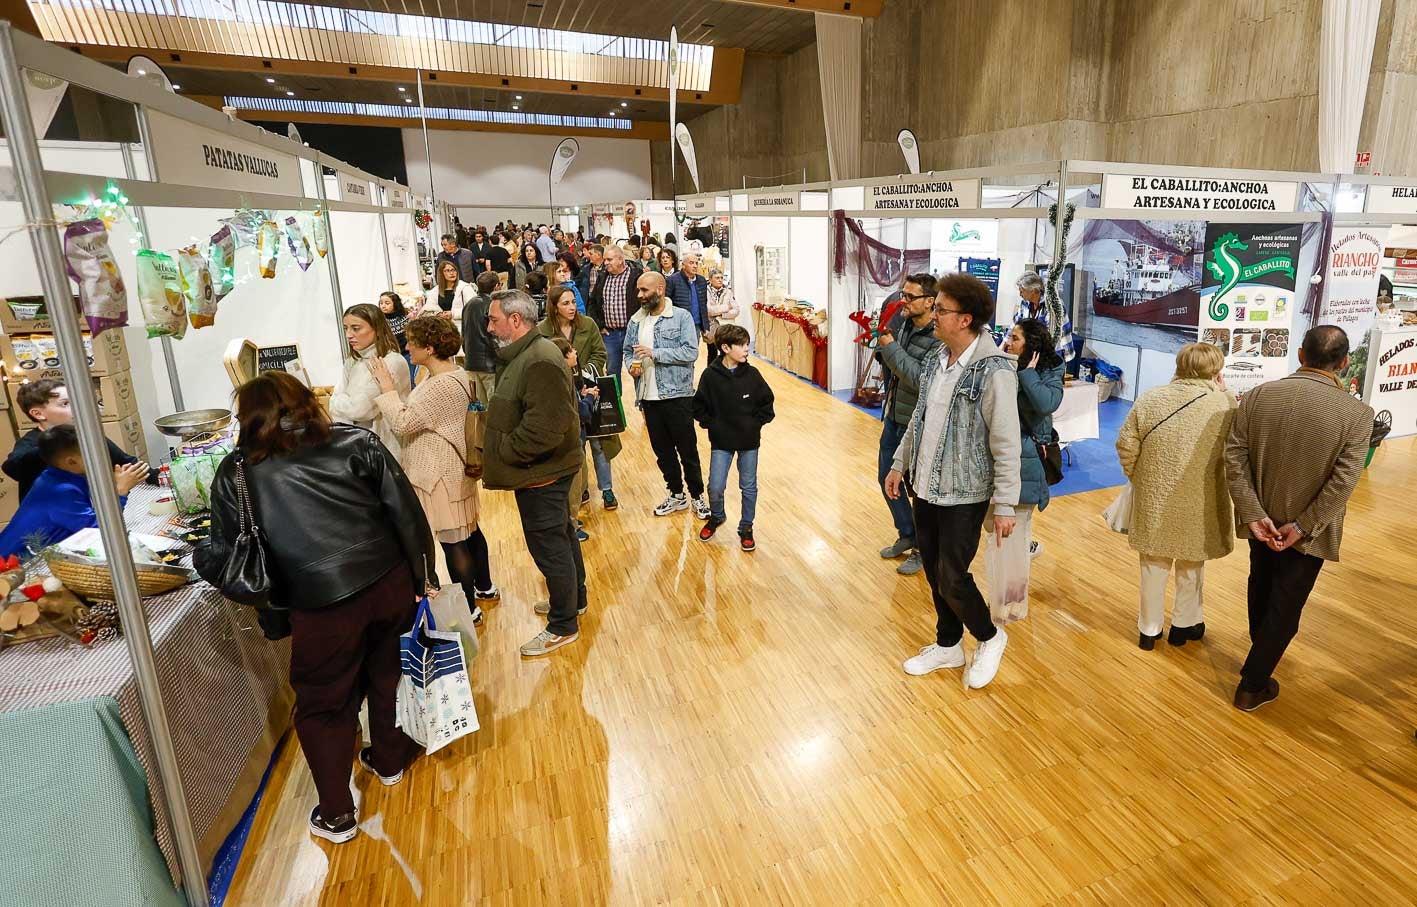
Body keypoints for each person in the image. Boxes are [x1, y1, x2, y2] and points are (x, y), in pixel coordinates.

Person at [195, 372, 437, 845]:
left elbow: (225, 553)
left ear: (245, 417)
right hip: (388, 581)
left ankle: (336, 813)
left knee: (324, 703)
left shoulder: (237, 471)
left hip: (319, 603)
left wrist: (201, 556)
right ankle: (388, 759)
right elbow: (406, 513)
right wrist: (423, 577)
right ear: (308, 402)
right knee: (388, 672)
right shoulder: (355, 442)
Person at [1225, 325, 1373, 712]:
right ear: (1343, 363)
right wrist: (1304, 525)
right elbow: (1344, 481)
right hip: (1307, 533)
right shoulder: (1357, 414)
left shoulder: (1257, 396)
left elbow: (1234, 458)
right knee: (1286, 605)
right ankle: (1252, 684)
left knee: (1261, 587)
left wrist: (1254, 514)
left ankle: (1261, 658)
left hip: (1262, 522)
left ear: (1301, 355)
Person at [885, 273, 1020, 690]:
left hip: (965, 492)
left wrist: (1005, 504)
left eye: (941, 310)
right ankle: (948, 644)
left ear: (965, 320)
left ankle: (990, 636)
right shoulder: (934, 361)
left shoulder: (994, 371)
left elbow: (1005, 440)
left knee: (952, 574)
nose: (935, 315)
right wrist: (898, 463)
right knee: (934, 571)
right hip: (924, 485)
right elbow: (920, 418)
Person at [482, 290, 587, 657]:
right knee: (562, 537)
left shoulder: (538, 359)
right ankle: (574, 601)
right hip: (542, 469)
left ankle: (563, 624)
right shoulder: (524, 354)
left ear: (515, 320)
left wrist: (507, 452)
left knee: (550, 546)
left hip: (541, 471)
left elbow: (545, 427)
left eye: (494, 319)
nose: (489, 326)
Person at [371, 316, 498, 616]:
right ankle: (485, 587)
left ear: (429, 348)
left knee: (453, 542)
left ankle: (468, 609)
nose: (407, 347)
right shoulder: (457, 374)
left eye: (412, 343)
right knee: (469, 532)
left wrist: (387, 390)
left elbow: (403, 423)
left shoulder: (438, 387)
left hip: (438, 474)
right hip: (456, 470)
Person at [1115, 342, 1234, 650]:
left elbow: (1126, 444)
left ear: (1179, 365)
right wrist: (1223, 390)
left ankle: (1149, 630)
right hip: (1201, 498)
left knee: (1153, 565)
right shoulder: (1224, 404)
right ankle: (1184, 625)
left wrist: (1137, 475)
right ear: (1216, 370)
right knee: (1193, 563)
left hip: (1155, 495)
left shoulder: (1150, 398)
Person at [627, 271, 709, 519]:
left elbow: (690, 352)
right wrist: (631, 365)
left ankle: (697, 496)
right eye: (638, 290)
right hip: (648, 398)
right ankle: (676, 494)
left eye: (644, 290)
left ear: (660, 289)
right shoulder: (636, 321)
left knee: (687, 450)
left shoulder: (681, 317)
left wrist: (655, 353)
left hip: (677, 396)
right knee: (662, 452)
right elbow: (628, 352)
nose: (639, 295)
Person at [0, 425, 148, 558]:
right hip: (15, 566)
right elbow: (97, 530)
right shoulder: (59, 491)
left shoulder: (60, 476)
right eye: (93, 453)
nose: (102, 457)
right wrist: (120, 491)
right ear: (71, 461)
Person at [875, 273, 940, 576]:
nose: (904, 301)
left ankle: (922, 551)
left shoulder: (937, 339)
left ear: (930, 302)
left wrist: (889, 349)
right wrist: (883, 350)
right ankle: (907, 534)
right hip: (893, 416)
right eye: (903, 294)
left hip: (916, 424)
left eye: (910, 297)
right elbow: (896, 369)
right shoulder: (902, 326)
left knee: (916, 490)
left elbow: (918, 378)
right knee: (885, 479)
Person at [693, 324, 774, 552]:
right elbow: (698, 406)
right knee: (715, 487)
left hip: (749, 441)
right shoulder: (710, 376)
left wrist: (755, 423)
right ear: (725, 348)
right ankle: (717, 516)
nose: (747, 349)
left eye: (747, 344)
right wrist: (712, 424)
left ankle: (746, 526)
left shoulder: (753, 375)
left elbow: (767, 402)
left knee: (748, 486)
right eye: (742, 345)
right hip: (721, 441)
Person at [2, 379, 154, 501]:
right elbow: (12, 467)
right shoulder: (30, 444)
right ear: (38, 414)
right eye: (65, 404)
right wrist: (57, 444)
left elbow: (126, 462)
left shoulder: (85, 434)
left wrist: (161, 476)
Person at [539, 285, 618, 511]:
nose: (572, 307)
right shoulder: (542, 330)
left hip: (592, 389)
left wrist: (586, 373)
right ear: (554, 307)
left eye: (573, 302)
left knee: (600, 442)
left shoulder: (588, 324)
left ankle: (607, 489)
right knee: (575, 445)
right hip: (563, 395)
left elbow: (600, 352)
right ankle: (580, 487)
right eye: (565, 303)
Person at [999, 318, 1064, 559]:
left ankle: (1012, 590)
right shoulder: (1005, 362)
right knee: (997, 525)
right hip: (1004, 450)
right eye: (1010, 336)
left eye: (1015, 338)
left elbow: (1047, 402)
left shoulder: (1051, 367)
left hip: (1029, 454)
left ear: (1031, 344)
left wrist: (1027, 376)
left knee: (1017, 523)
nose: (1009, 343)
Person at [329, 303, 411, 459]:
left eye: (356, 328)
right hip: (357, 447)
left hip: (385, 450)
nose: (348, 335)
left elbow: (361, 410)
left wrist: (339, 401)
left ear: (377, 328)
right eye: (346, 328)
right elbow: (336, 407)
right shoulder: (352, 361)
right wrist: (340, 402)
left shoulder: (391, 362)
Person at [549, 335, 595, 540]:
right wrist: (590, 398)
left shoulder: (562, 378)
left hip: (573, 443)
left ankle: (571, 521)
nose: (575, 352)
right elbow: (581, 414)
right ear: (564, 356)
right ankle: (571, 526)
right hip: (571, 445)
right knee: (574, 489)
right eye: (571, 350)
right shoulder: (564, 381)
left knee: (580, 482)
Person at [587, 245, 642, 382]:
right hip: (609, 334)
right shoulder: (602, 277)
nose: (606, 263)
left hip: (634, 332)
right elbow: (593, 302)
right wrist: (599, 326)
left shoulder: (636, 276)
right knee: (611, 370)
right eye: (605, 260)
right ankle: (615, 402)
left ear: (620, 259)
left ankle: (642, 402)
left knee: (637, 369)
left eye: (609, 259)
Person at [1013, 271, 1074, 362]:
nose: (1020, 295)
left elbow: (1048, 336)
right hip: (1034, 350)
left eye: (1022, 291)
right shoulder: (1025, 303)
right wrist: (1004, 344)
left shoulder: (1052, 305)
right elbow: (1015, 325)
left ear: (1032, 291)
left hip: (1054, 351)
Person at [462, 270, 501, 410]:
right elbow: (495, 335)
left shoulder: (468, 304)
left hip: (471, 361)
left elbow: (464, 333)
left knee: (482, 409)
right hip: (489, 363)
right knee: (495, 408)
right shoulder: (493, 305)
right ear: (497, 286)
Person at [664, 251, 712, 356]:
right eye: (691, 263)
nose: (695, 266)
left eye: (696, 263)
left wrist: (706, 327)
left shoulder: (702, 281)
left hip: (696, 326)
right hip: (678, 326)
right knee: (678, 356)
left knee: (692, 356)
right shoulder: (672, 280)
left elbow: (703, 305)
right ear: (683, 265)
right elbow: (666, 303)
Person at [426, 260, 477, 329]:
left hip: (462, 328)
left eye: (453, 270)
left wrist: (453, 314)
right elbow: (429, 309)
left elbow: (474, 309)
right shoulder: (435, 291)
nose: (452, 273)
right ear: (441, 273)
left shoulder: (465, 288)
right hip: (442, 329)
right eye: (447, 270)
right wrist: (438, 314)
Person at [704, 269, 739, 364]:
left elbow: (736, 310)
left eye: (721, 278)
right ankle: (710, 376)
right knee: (712, 353)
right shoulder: (705, 292)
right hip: (711, 328)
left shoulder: (728, 292)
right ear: (710, 280)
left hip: (725, 328)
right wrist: (726, 307)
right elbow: (709, 310)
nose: (720, 280)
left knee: (725, 353)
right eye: (717, 278)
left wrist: (722, 314)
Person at [378, 291, 413, 381]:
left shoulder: (406, 318)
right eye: (381, 303)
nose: (383, 306)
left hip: (406, 354)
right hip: (390, 356)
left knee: (409, 379)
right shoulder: (380, 321)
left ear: (395, 304)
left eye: (387, 303)